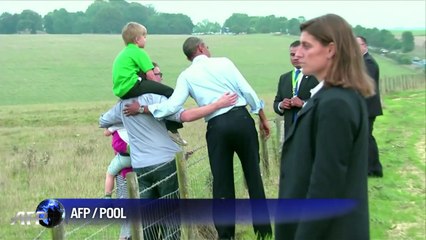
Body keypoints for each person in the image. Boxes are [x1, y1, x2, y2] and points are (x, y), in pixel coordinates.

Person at [124, 37, 272, 240]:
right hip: (241, 120)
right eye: (207, 47)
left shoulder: (186, 75)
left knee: (221, 182)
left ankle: (225, 235)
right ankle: (263, 231)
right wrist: (262, 117)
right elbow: (248, 91)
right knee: (253, 174)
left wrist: (142, 108)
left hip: (217, 127)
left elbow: (172, 106)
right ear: (201, 48)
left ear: (188, 56)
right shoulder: (225, 62)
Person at [275, 14, 375, 240]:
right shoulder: (334, 97)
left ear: (331, 50)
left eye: (306, 46)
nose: (298, 54)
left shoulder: (335, 104)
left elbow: (326, 186)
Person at [100, 76, 237, 240]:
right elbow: (183, 115)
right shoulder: (159, 98)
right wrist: (217, 105)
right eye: (155, 75)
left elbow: (103, 121)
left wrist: (124, 115)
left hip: (141, 167)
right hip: (165, 162)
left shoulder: (123, 105)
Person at [112, 22, 185, 145]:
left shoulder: (123, 53)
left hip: (122, 90)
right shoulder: (139, 52)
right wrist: (158, 88)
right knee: (170, 92)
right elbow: (150, 75)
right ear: (137, 39)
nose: (146, 40)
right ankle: (173, 128)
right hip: (132, 86)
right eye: (144, 37)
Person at [273, 40, 318, 137]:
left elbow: (322, 103)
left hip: (310, 131)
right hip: (290, 132)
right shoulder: (284, 78)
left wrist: (303, 103)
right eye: (292, 54)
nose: (295, 58)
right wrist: (281, 105)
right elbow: (276, 103)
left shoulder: (316, 76)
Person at [357, 36, 384, 178]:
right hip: (363, 107)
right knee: (364, 138)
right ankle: (368, 167)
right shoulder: (361, 62)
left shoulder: (369, 63)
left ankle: (374, 169)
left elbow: (364, 86)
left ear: (365, 46)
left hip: (368, 107)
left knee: (367, 138)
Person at [103, 125, 131, 199]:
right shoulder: (133, 122)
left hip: (123, 157)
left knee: (110, 174)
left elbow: (106, 133)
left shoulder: (117, 124)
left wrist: (106, 124)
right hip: (139, 157)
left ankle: (107, 197)